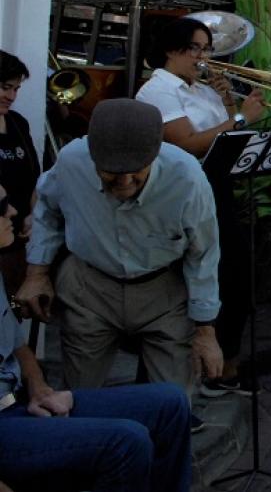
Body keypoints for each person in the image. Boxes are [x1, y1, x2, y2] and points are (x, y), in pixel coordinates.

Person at [0, 183, 194, 492]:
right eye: (2, 207)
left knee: (171, 402)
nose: (13, 212)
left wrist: (39, 388)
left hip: (19, 403)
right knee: (126, 441)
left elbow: (18, 345)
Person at [18, 99, 222, 390]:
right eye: (111, 171)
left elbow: (203, 254)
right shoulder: (72, 159)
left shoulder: (186, 176)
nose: (125, 181)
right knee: (80, 395)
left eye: (137, 170)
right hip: (88, 288)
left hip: (163, 290)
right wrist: (36, 274)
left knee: (173, 401)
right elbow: (46, 209)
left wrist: (205, 330)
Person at [135, 18, 265, 397]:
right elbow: (189, 142)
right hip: (182, 195)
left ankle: (223, 365)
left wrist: (229, 103)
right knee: (188, 287)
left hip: (217, 189)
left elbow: (231, 135)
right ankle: (182, 381)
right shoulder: (157, 91)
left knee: (236, 276)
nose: (204, 57)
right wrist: (241, 116)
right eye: (197, 48)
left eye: (207, 49)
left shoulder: (203, 90)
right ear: (172, 50)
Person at [0, 52, 40, 297]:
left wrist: (34, 215)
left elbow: (35, 177)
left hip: (18, 244)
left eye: (16, 89)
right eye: (5, 88)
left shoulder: (17, 123)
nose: (11, 96)